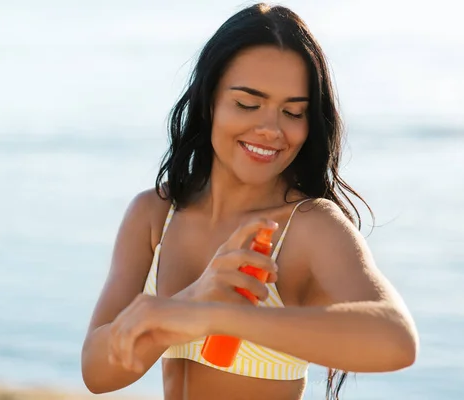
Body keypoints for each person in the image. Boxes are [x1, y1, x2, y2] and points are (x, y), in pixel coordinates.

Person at [80, 3, 419, 400]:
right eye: (248, 104)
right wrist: (187, 304)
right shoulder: (155, 215)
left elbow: (396, 340)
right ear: (209, 101)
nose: (271, 130)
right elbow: (96, 373)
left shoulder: (308, 226)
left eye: (293, 112)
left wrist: (221, 316)